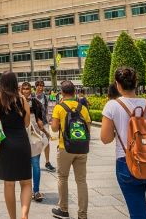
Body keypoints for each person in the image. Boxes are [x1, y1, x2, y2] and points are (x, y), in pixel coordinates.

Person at [101, 67, 146, 219]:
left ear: (117, 84)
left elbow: (105, 139)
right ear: (136, 83)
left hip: (127, 163)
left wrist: (119, 129)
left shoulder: (112, 106)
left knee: (138, 215)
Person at [0, 72, 32, 219]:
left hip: (5, 145)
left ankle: (13, 217)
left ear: (1, 83)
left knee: (9, 184)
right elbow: (27, 123)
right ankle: (24, 215)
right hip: (22, 143)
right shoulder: (22, 100)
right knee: (26, 183)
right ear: (16, 83)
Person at [51, 81, 90, 219]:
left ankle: (64, 209)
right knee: (81, 181)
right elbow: (88, 129)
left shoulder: (59, 107)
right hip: (81, 148)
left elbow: (54, 128)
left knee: (62, 177)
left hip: (65, 147)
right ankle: (83, 214)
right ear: (75, 91)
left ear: (61, 92)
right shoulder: (82, 108)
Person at [22, 82, 49, 202]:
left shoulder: (35, 102)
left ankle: (36, 190)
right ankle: (26, 190)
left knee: (36, 164)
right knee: (24, 165)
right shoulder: (16, 102)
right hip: (21, 136)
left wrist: (44, 131)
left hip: (34, 135)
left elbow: (39, 120)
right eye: (24, 89)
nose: (26, 91)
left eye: (28, 89)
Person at [34, 80, 56, 172]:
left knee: (46, 141)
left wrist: (49, 120)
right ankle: (33, 161)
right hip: (33, 122)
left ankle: (47, 161)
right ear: (35, 86)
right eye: (39, 86)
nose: (40, 87)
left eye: (42, 86)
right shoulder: (32, 96)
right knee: (33, 141)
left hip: (44, 122)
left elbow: (49, 109)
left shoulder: (45, 97)